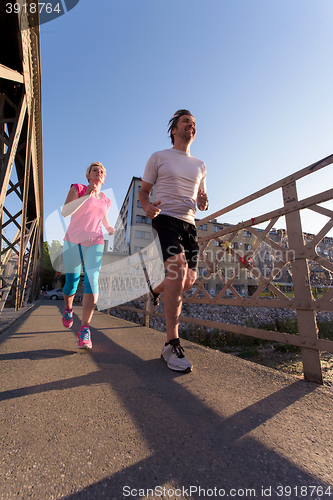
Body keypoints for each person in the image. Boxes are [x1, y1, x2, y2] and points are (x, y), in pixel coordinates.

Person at [139, 110, 208, 372]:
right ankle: (171, 343)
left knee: (187, 281)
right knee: (178, 272)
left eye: (194, 123)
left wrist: (203, 201)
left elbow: (202, 198)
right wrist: (146, 207)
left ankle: (156, 289)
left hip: (189, 225)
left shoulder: (201, 165)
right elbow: (144, 193)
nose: (191, 125)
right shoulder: (159, 157)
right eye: (186, 122)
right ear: (173, 130)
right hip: (165, 219)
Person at [61, 162, 114, 349]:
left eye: (101, 171)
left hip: (95, 241)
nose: (98, 172)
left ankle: (84, 329)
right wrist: (85, 195)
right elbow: (65, 211)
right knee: (72, 282)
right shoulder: (78, 188)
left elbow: (103, 216)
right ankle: (68, 309)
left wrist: (108, 227)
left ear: (104, 178)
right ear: (88, 175)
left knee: (93, 279)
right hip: (73, 240)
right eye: (94, 170)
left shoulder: (106, 199)